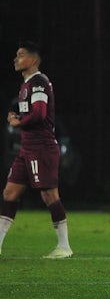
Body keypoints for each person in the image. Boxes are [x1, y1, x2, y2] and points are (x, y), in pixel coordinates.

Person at [0, 41, 73, 258]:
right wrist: (15, 116)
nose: (16, 59)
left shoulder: (39, 82)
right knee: (9, 192)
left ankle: (64, 246)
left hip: (41, 148)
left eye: (20, 55)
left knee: (49, 195)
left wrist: (18, 122)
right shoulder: (25, 85)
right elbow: (28, 113)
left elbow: (40, 114)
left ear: (32, 60)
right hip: (27, 148)